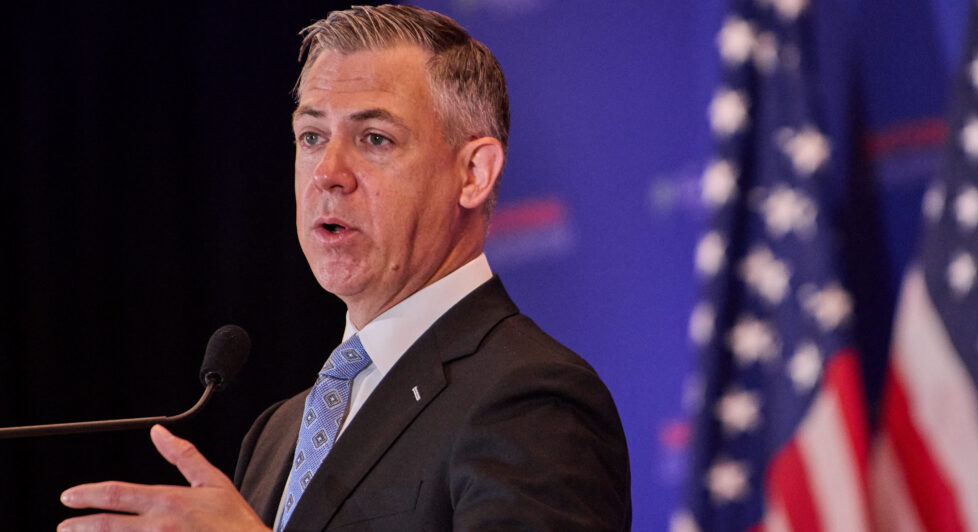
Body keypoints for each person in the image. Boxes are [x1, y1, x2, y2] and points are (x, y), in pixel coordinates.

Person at [58, 5, 631, 531]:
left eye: (375, 138)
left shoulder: (533, 399)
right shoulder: (277, 433)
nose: (327, 172)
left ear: (473, 174)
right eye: (311, 136)